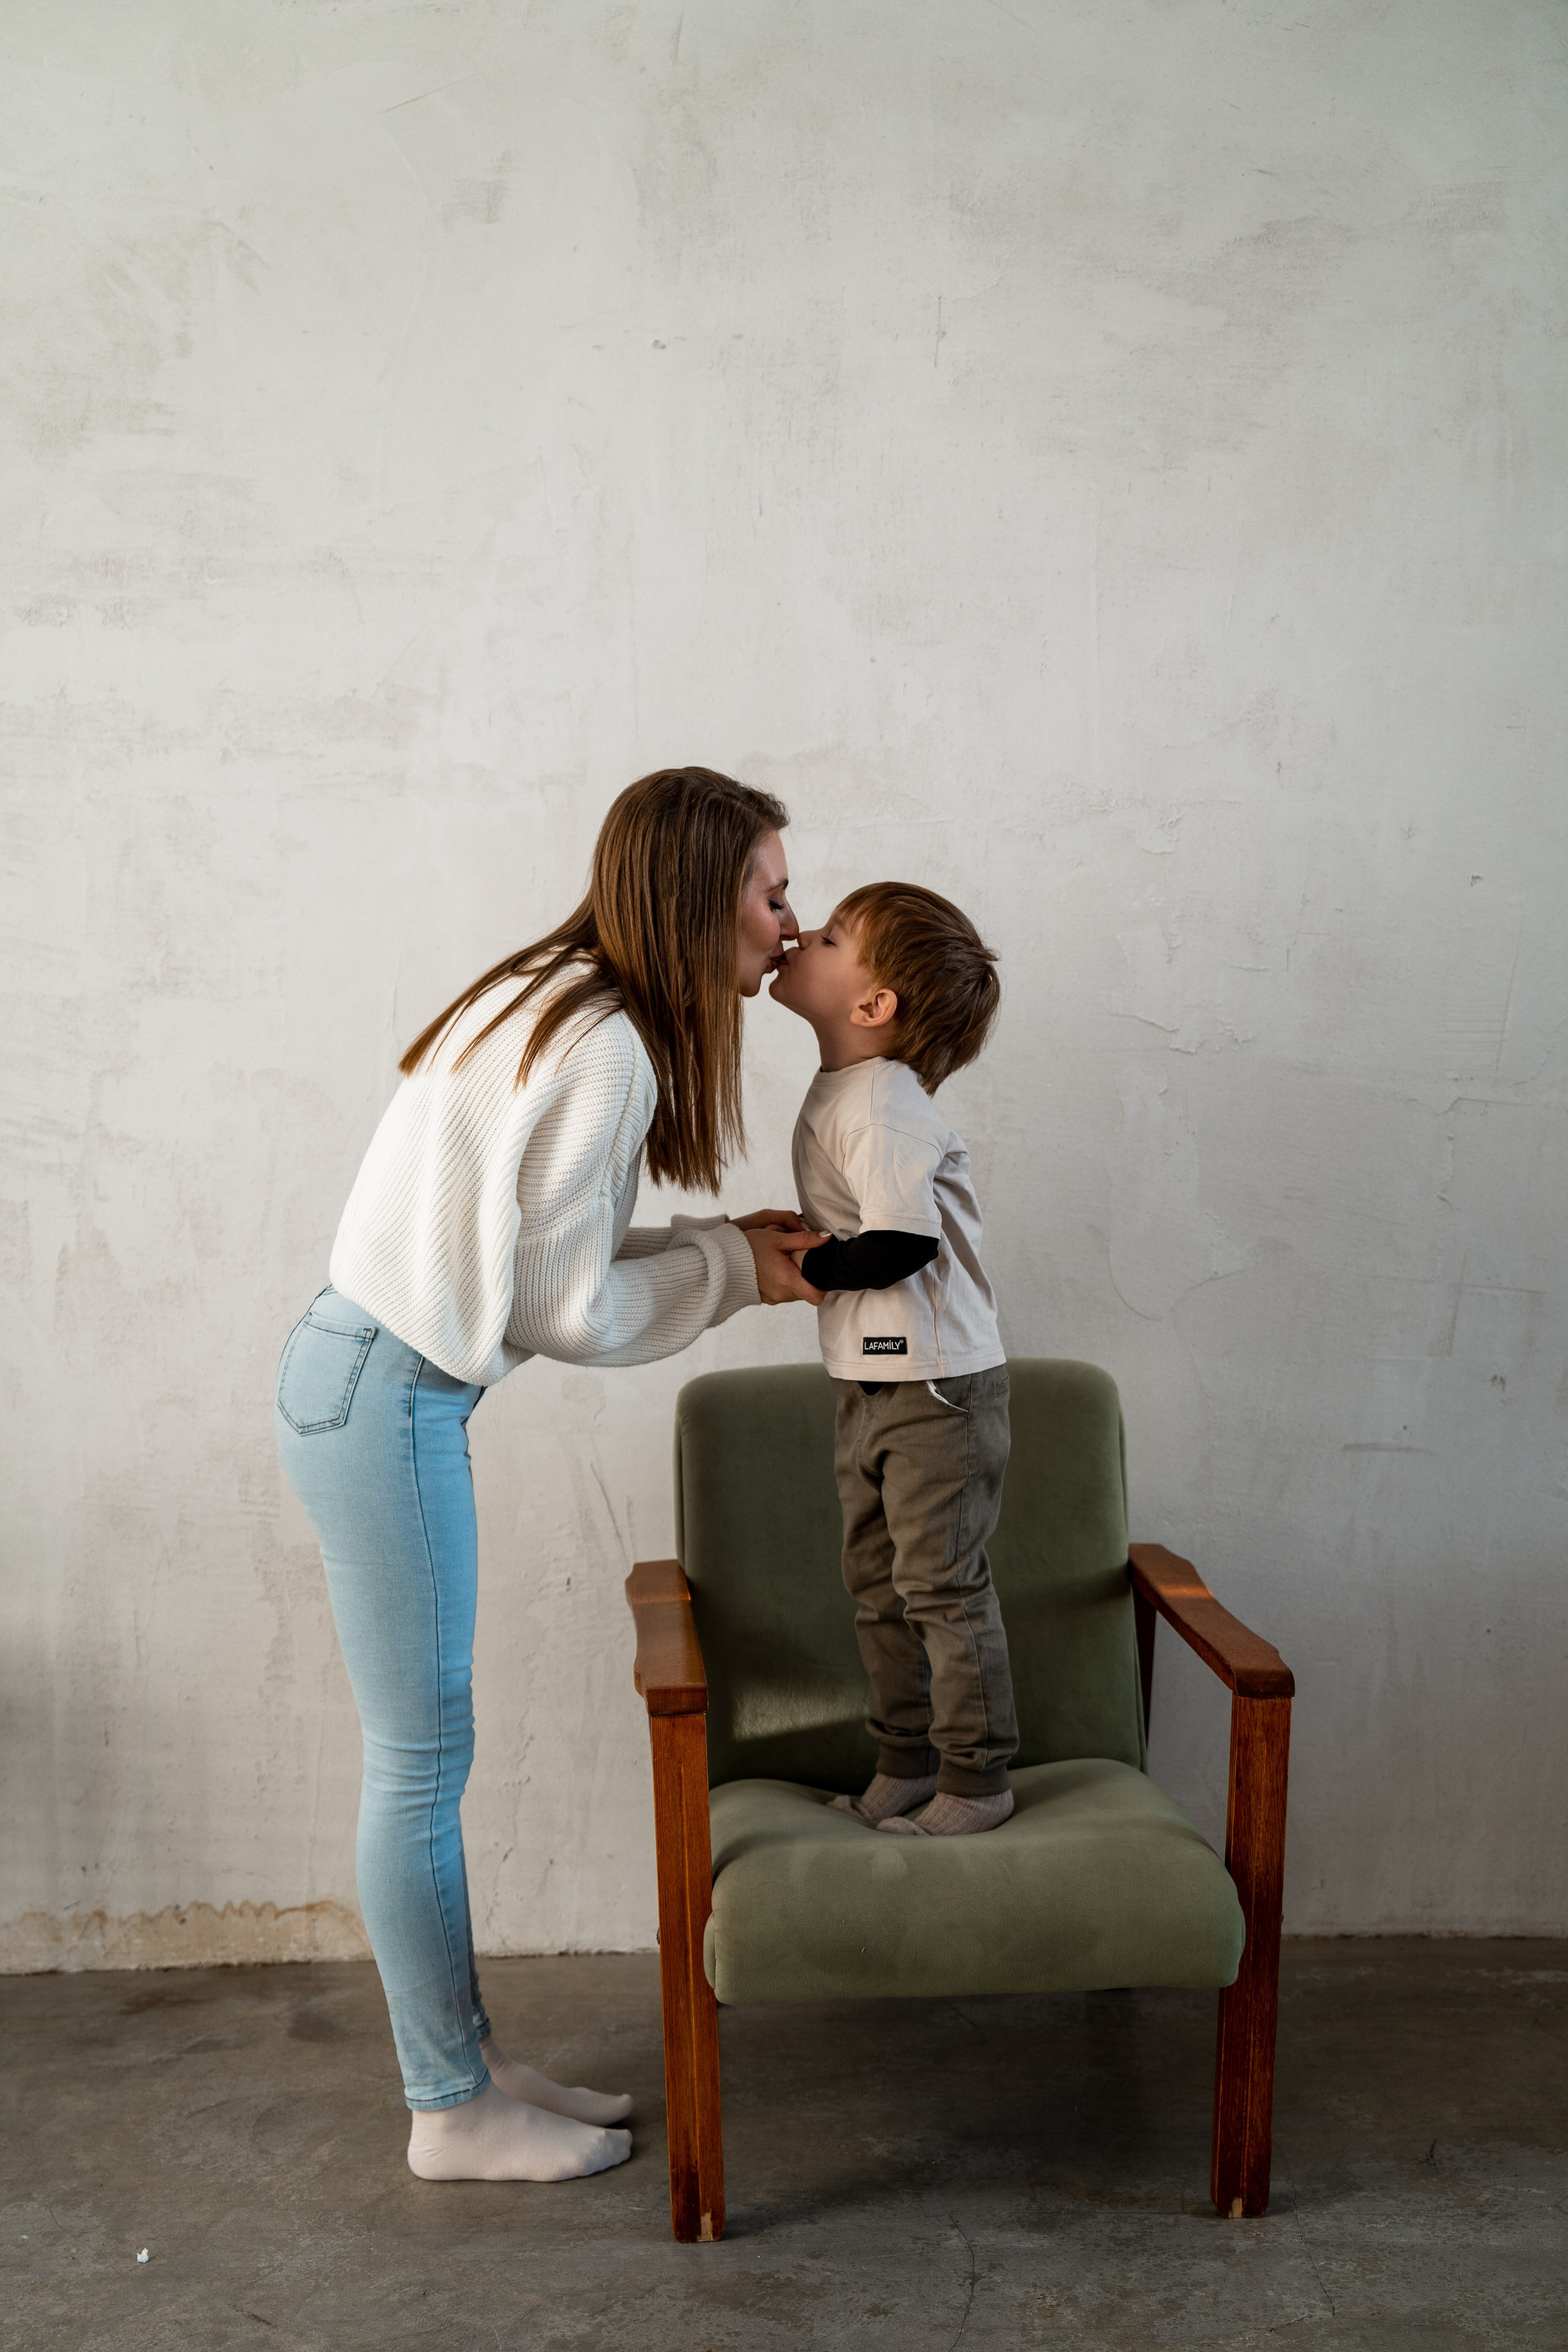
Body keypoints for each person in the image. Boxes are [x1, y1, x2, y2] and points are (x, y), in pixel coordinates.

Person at [274, 769, 824, 2184]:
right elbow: (564, 1311)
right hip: (387, 1398)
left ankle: (468, 2065)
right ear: (703, 897)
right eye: (770, 893)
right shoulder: (612, 1049)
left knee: (421, 1760)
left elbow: (533, 1264)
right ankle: (448, 2109)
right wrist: (733, 1273)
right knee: (417, 1766)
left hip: (357, 1375)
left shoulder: (555, 995)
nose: (788, 921)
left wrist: (721, 1250)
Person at [769, 881, 1018, 1838]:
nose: (802, 935)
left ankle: (977, 1779)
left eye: (832, 938)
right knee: (879, 1589)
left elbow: (902, 1242)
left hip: (934, 1388)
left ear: (874, 1006)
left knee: (941, 1589)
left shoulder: (883, 1101)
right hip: (871, 1375)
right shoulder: (850, 1090)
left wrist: (811, 1267)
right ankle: (906, 1762)